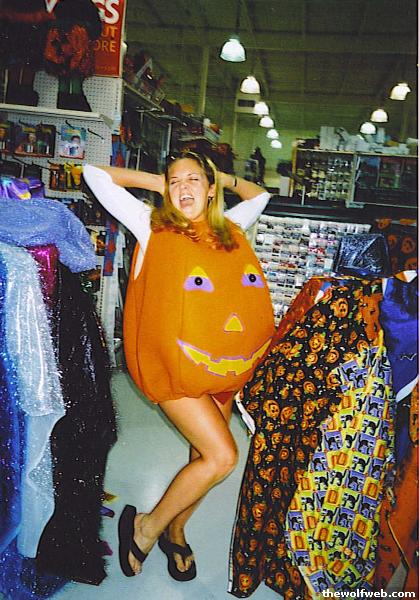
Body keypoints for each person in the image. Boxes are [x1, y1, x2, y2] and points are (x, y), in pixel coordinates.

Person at [83, 152, 275, 582]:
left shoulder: (230, 227)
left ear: (211, 190)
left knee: (201, 455)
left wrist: (220, 178)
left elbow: (260, 195)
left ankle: (177, 530)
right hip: (173, 371)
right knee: (221, 456)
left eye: (194, 180)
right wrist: (159, 183)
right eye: (176, 182)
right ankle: (146, 526)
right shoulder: (150, 224)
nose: (184, 188)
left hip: (224, 369)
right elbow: (94, 174)